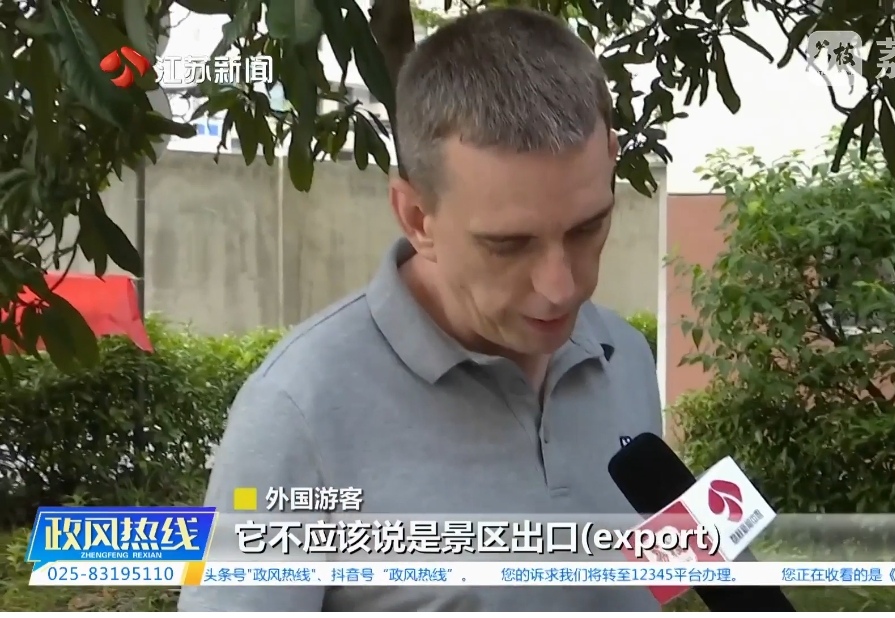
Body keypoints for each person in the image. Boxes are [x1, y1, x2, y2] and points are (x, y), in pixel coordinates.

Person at [178, 6, 663, 612]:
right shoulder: (299, 411)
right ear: (416, 217)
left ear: (611, 159)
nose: (562, 288)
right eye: (508, 245)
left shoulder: (626, 359)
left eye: (588, 227)